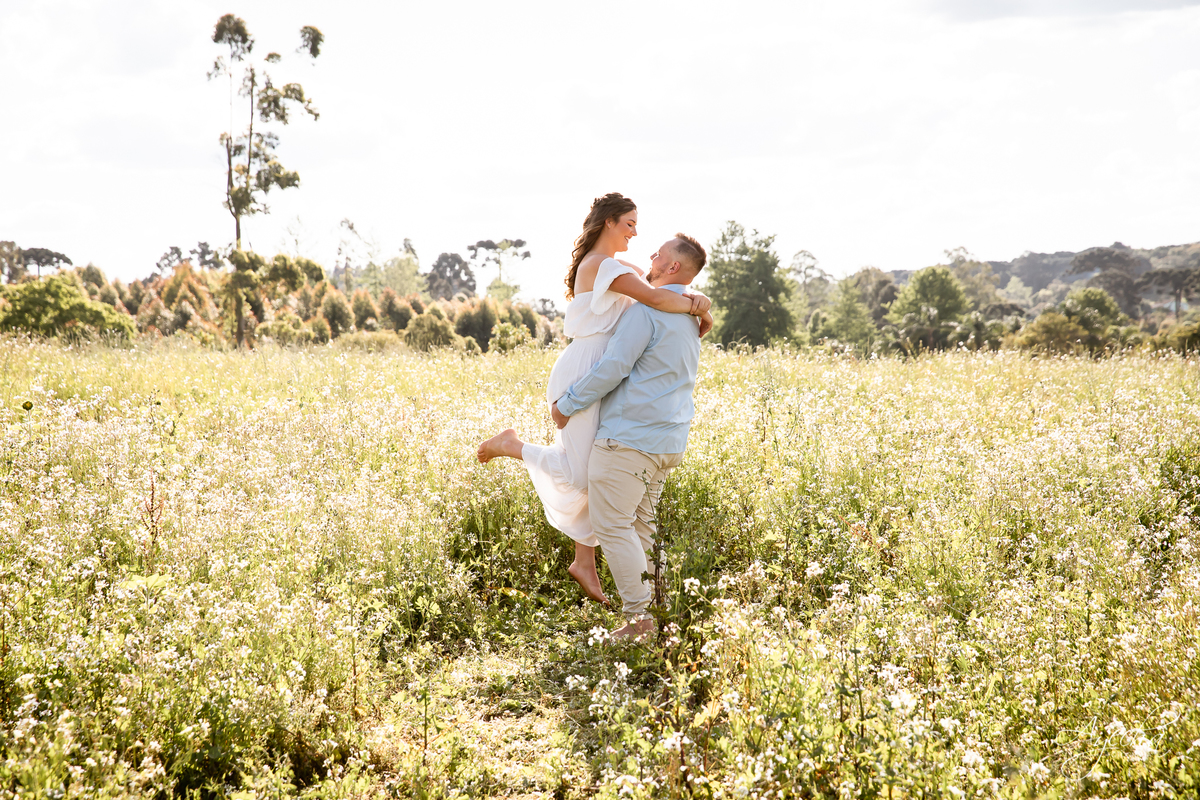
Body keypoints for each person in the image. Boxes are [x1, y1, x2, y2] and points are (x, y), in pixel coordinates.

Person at [476, 193, 712, 606]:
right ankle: (512, 446)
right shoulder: (602, 266)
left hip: (610, 372)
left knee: (594, 470)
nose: (636, 233)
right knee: (585, 474)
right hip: (587, 368)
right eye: (629, 223)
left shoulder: (627, 269)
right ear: (609, 222)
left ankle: (585, 562)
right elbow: (658, 298)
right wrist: (700, 308)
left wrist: (695, 303)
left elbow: (660, 289)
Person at [550, 233, 708, 640]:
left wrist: (567, 403)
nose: (651, 255)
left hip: (628, 440)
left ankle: (640, 621)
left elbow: (614, 366)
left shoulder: (647, 311)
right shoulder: (689, 317)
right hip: (667, 443)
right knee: (642, 528)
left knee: (613, 527)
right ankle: (657, 615)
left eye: (659, 253)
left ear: (672, 267)